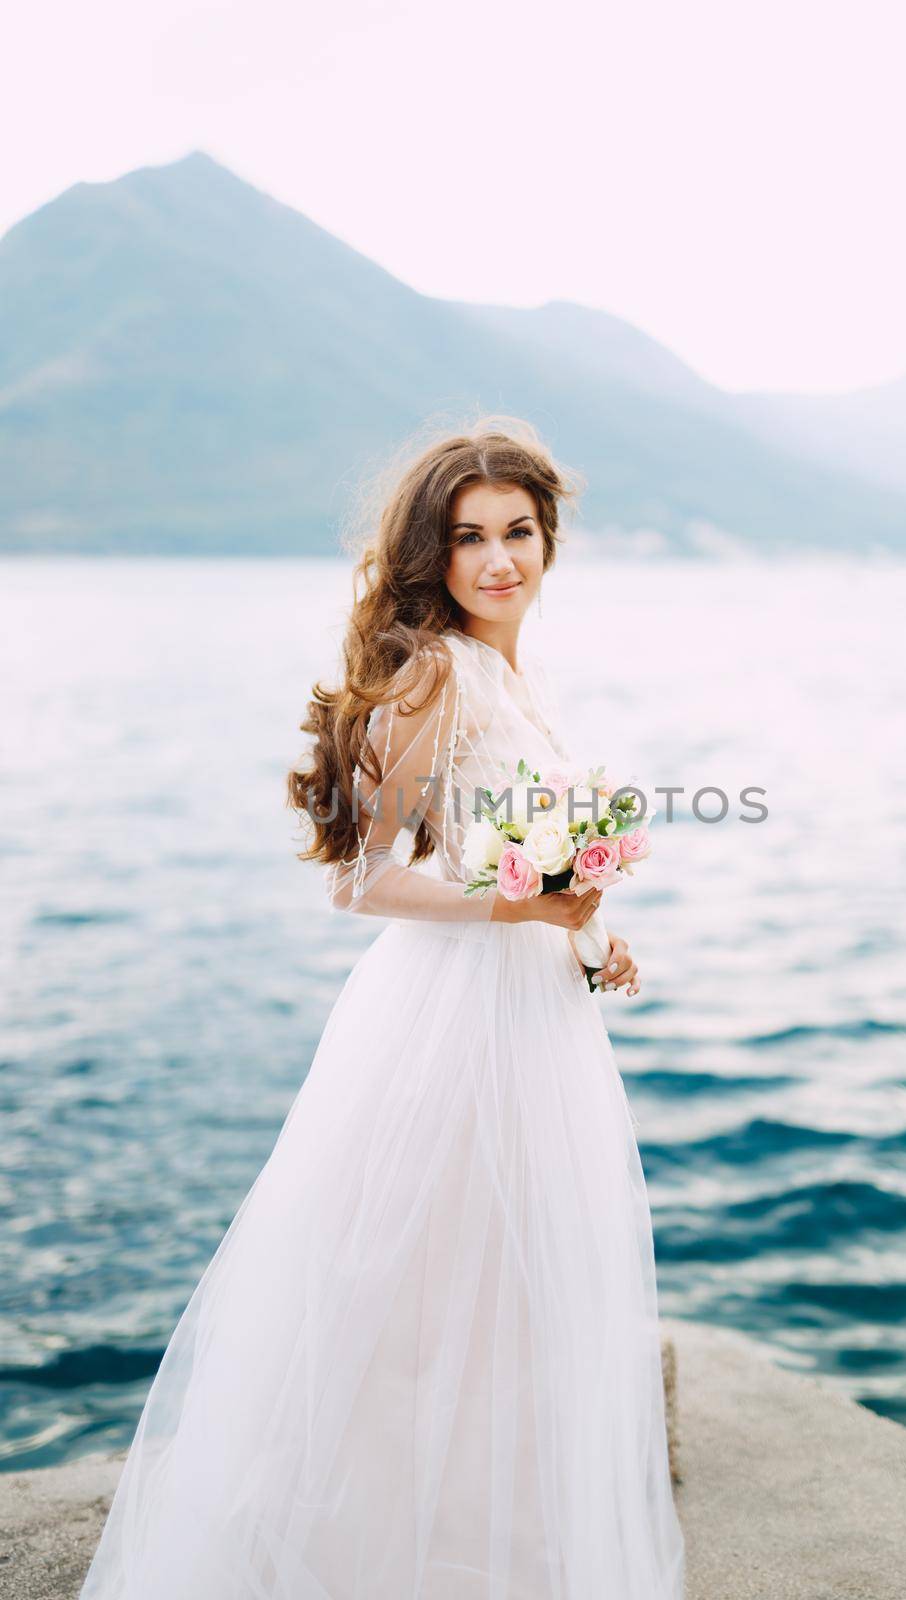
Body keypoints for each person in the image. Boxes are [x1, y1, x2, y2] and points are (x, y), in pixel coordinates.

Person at [78, 417, 685, 1598]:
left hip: (533, 1018)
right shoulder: (435, 672)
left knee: (508, 1298)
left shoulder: (511, 672)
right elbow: (361, 878)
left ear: (546, 541)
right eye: (470, 538)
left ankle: (484, 1546)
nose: (499, 559)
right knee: (414, 1292)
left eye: (518, 532)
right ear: (432, 553)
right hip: (446, 1027)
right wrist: (520, 908)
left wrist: (589, 934)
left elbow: (514, 855)